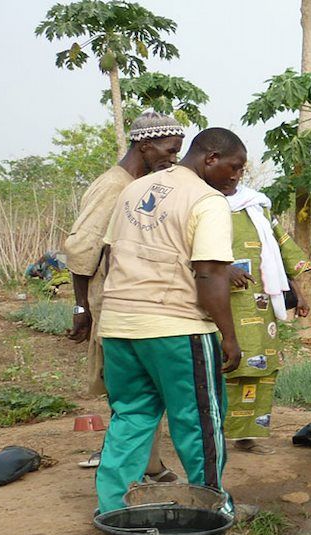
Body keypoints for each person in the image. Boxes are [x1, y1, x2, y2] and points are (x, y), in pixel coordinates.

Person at [94, 127, 245, 515]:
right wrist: (229, 337)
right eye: (235, 167)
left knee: (130, 418)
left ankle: (114, 510)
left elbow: (111, 255)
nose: (236, 177)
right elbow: (210, 274)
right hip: (177, 329)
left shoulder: (135, 189)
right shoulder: (207, 200)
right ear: (210, 158)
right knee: (199, 423)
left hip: (118, 325)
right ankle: (212, 508)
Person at [64, 112, 185, 478]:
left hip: (135, 303)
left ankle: (147, 464)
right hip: (112, 304)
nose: (173, 159)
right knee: (127, 390)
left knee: (141, 389)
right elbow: (81, 250)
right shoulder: (113, 186)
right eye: (169, 150)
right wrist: (81, 305)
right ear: (144, 146)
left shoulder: (140, 184)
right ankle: (130, 469)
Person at [222, 185, 311, 454]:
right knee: (223, 366)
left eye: (240, 169)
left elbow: (281, 250)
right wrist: (222, 269)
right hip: (220, 302)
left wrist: (300, 294)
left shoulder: (258, 206)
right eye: (232, 168)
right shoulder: (202, 205)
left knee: (259, 368)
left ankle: (247, 435)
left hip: (261, 306)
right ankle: (213, 435)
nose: (235, 176)